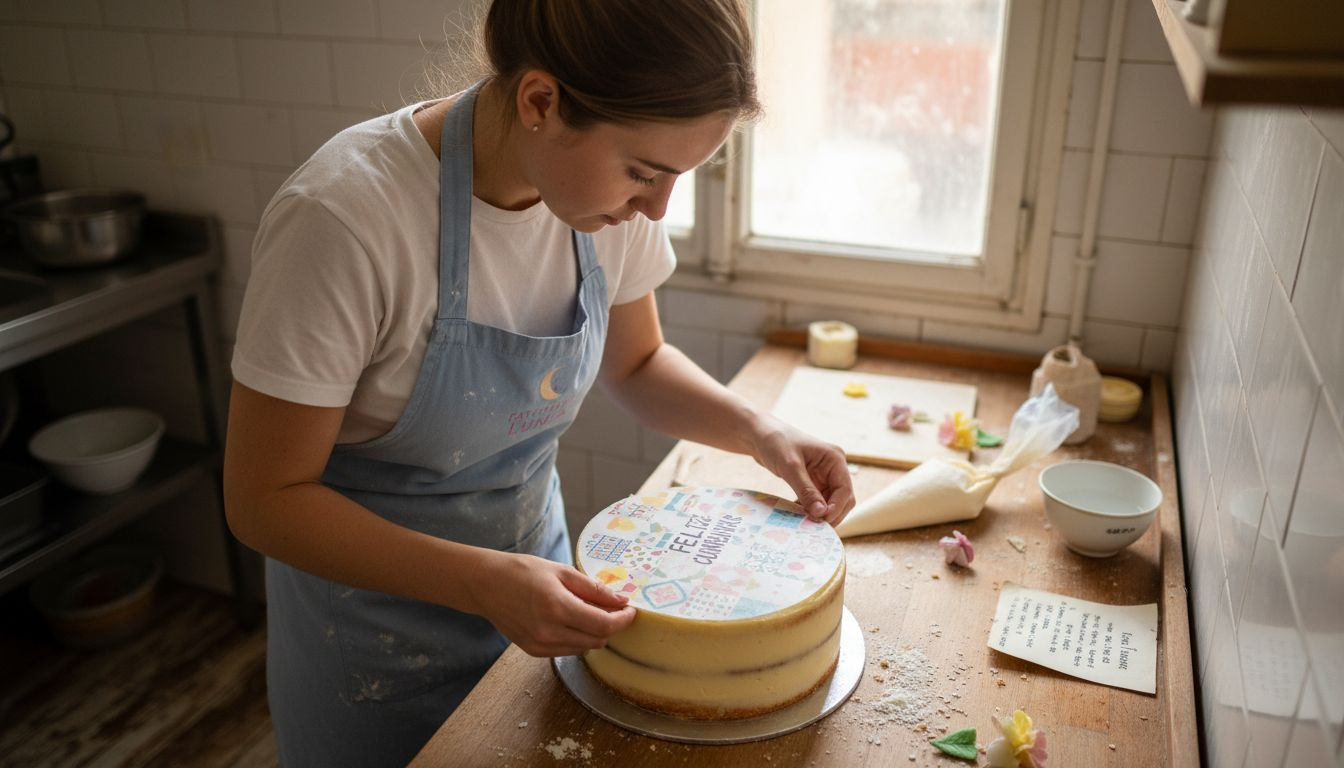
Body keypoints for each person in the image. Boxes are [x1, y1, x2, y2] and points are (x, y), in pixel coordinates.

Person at [222, 0, 855, 764]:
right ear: (541, 102)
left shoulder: (601, 208)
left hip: (542, 602)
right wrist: (486, 582)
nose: (658, 208)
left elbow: (638, 363)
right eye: (645, 172)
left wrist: (761, 429)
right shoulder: (347, 220)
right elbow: (263, 501)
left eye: (679, 177)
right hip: (374, 650)